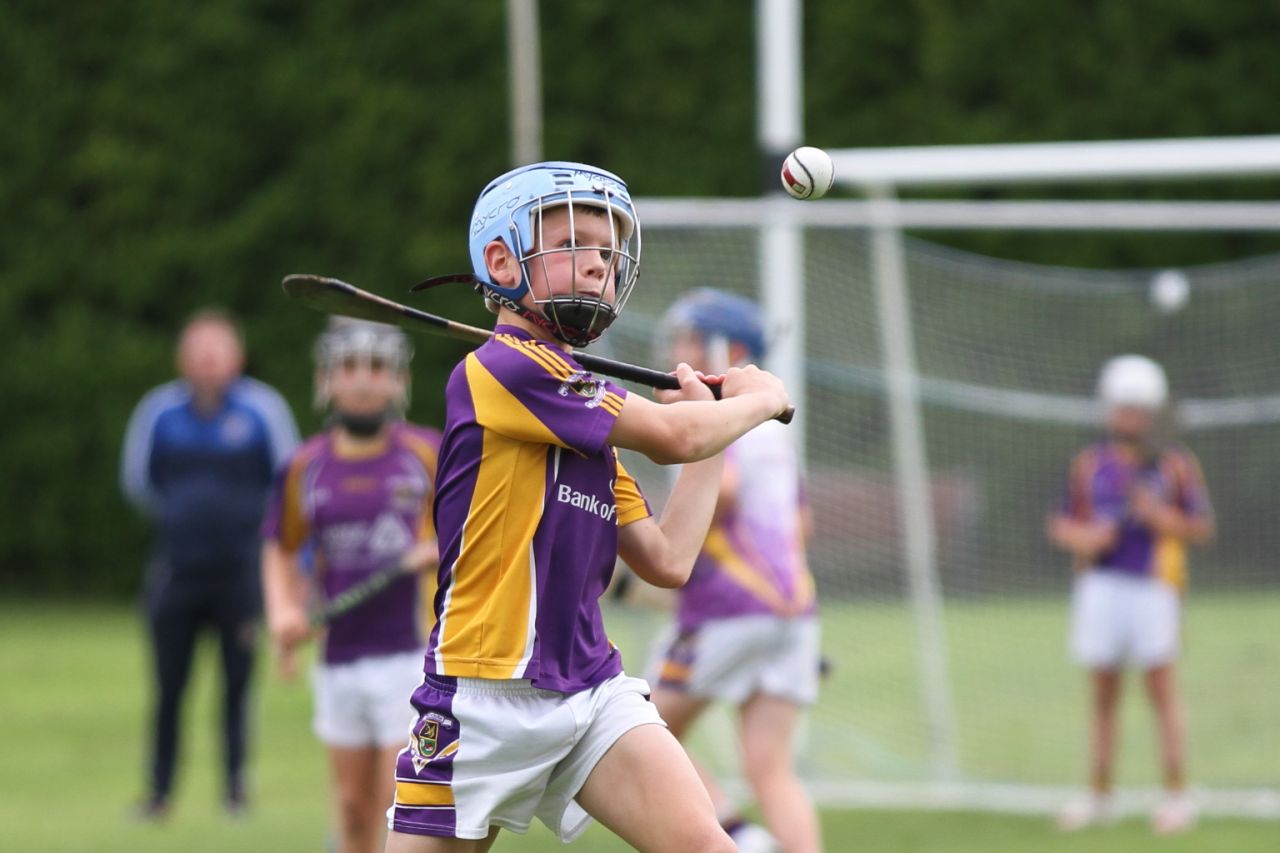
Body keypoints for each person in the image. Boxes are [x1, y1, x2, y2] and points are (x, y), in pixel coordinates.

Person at [384, 161, 791, 853]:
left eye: (608, 252)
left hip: (589, 692)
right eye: (577, 244)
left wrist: (720, 423)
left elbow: (668, 558)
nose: (600, 265)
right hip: (478, 698)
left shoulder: (583, 415)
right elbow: (673, 436)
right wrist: (760, 399)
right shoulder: (504, 369)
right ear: (502, 260)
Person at [645, 289, 822, 853]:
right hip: (795, 611)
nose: (678, 353)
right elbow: (803, 523)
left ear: (735, 350)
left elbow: (721, 496)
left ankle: (740, 838)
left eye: (691, 340)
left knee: (641, 726)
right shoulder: (772, 424)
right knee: (772, 770)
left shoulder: (723, 423)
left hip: (728, 611)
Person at [261, 317, 442, 853]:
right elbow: (280, 546)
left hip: (410, 654)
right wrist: (282, 613)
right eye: (349, 368)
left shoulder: (427, 453)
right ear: (326, 379)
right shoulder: (305, 466)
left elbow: (472, 530)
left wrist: (439, 548)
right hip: (338, 654)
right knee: (350, 806)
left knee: (396, 799)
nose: (363, 380)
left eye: (377, 367)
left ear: (398, 381)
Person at [120, 308, 299, 818]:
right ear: (183, 358)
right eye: (198, 351)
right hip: (175, 571)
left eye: (216, 350)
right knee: (168, 687)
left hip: (241, 572)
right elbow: (138, 481)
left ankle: (235, 789)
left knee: (238, 685)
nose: (207, 361)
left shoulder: (263, 410)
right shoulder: (159, 411)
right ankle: (159, 793)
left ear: (236, 356)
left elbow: (288, 483)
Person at [1047, 354, 1213, 835]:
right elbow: (1062, 522)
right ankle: (1100, 795)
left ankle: (1178, 796)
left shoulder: (1175, 467)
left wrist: (1157, 515)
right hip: (1099, 586)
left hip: (1154, 586)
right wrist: (1085, 539)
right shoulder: (1089, 464)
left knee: (1161, 689)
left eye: (1137, 408)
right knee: (1102, 692)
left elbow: (1199, 526)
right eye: (1122, 406)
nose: (1129, 416)